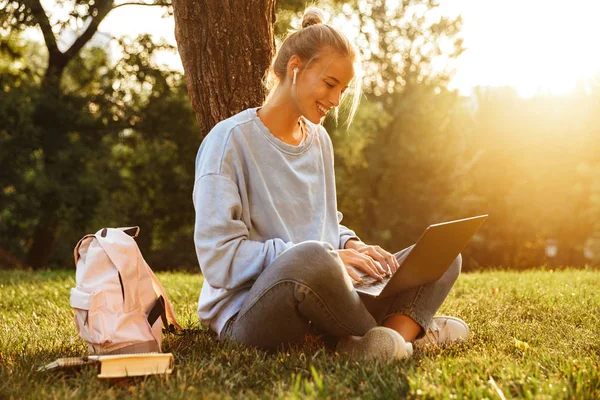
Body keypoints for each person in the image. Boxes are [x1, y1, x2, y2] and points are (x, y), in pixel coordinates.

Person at [192, 7, 469, 361]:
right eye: (330, 84)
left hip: (328, 293)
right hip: (251, 313)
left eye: (343, 88)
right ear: (295, 68)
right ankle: (403, 333)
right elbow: (219, 259)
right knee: (311, 257)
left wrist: (353, 244)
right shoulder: (229, 141)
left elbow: (324, 224)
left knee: (443, 255)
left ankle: (382, 342)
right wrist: (328, 257)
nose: (337, 100)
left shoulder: (319, 140)